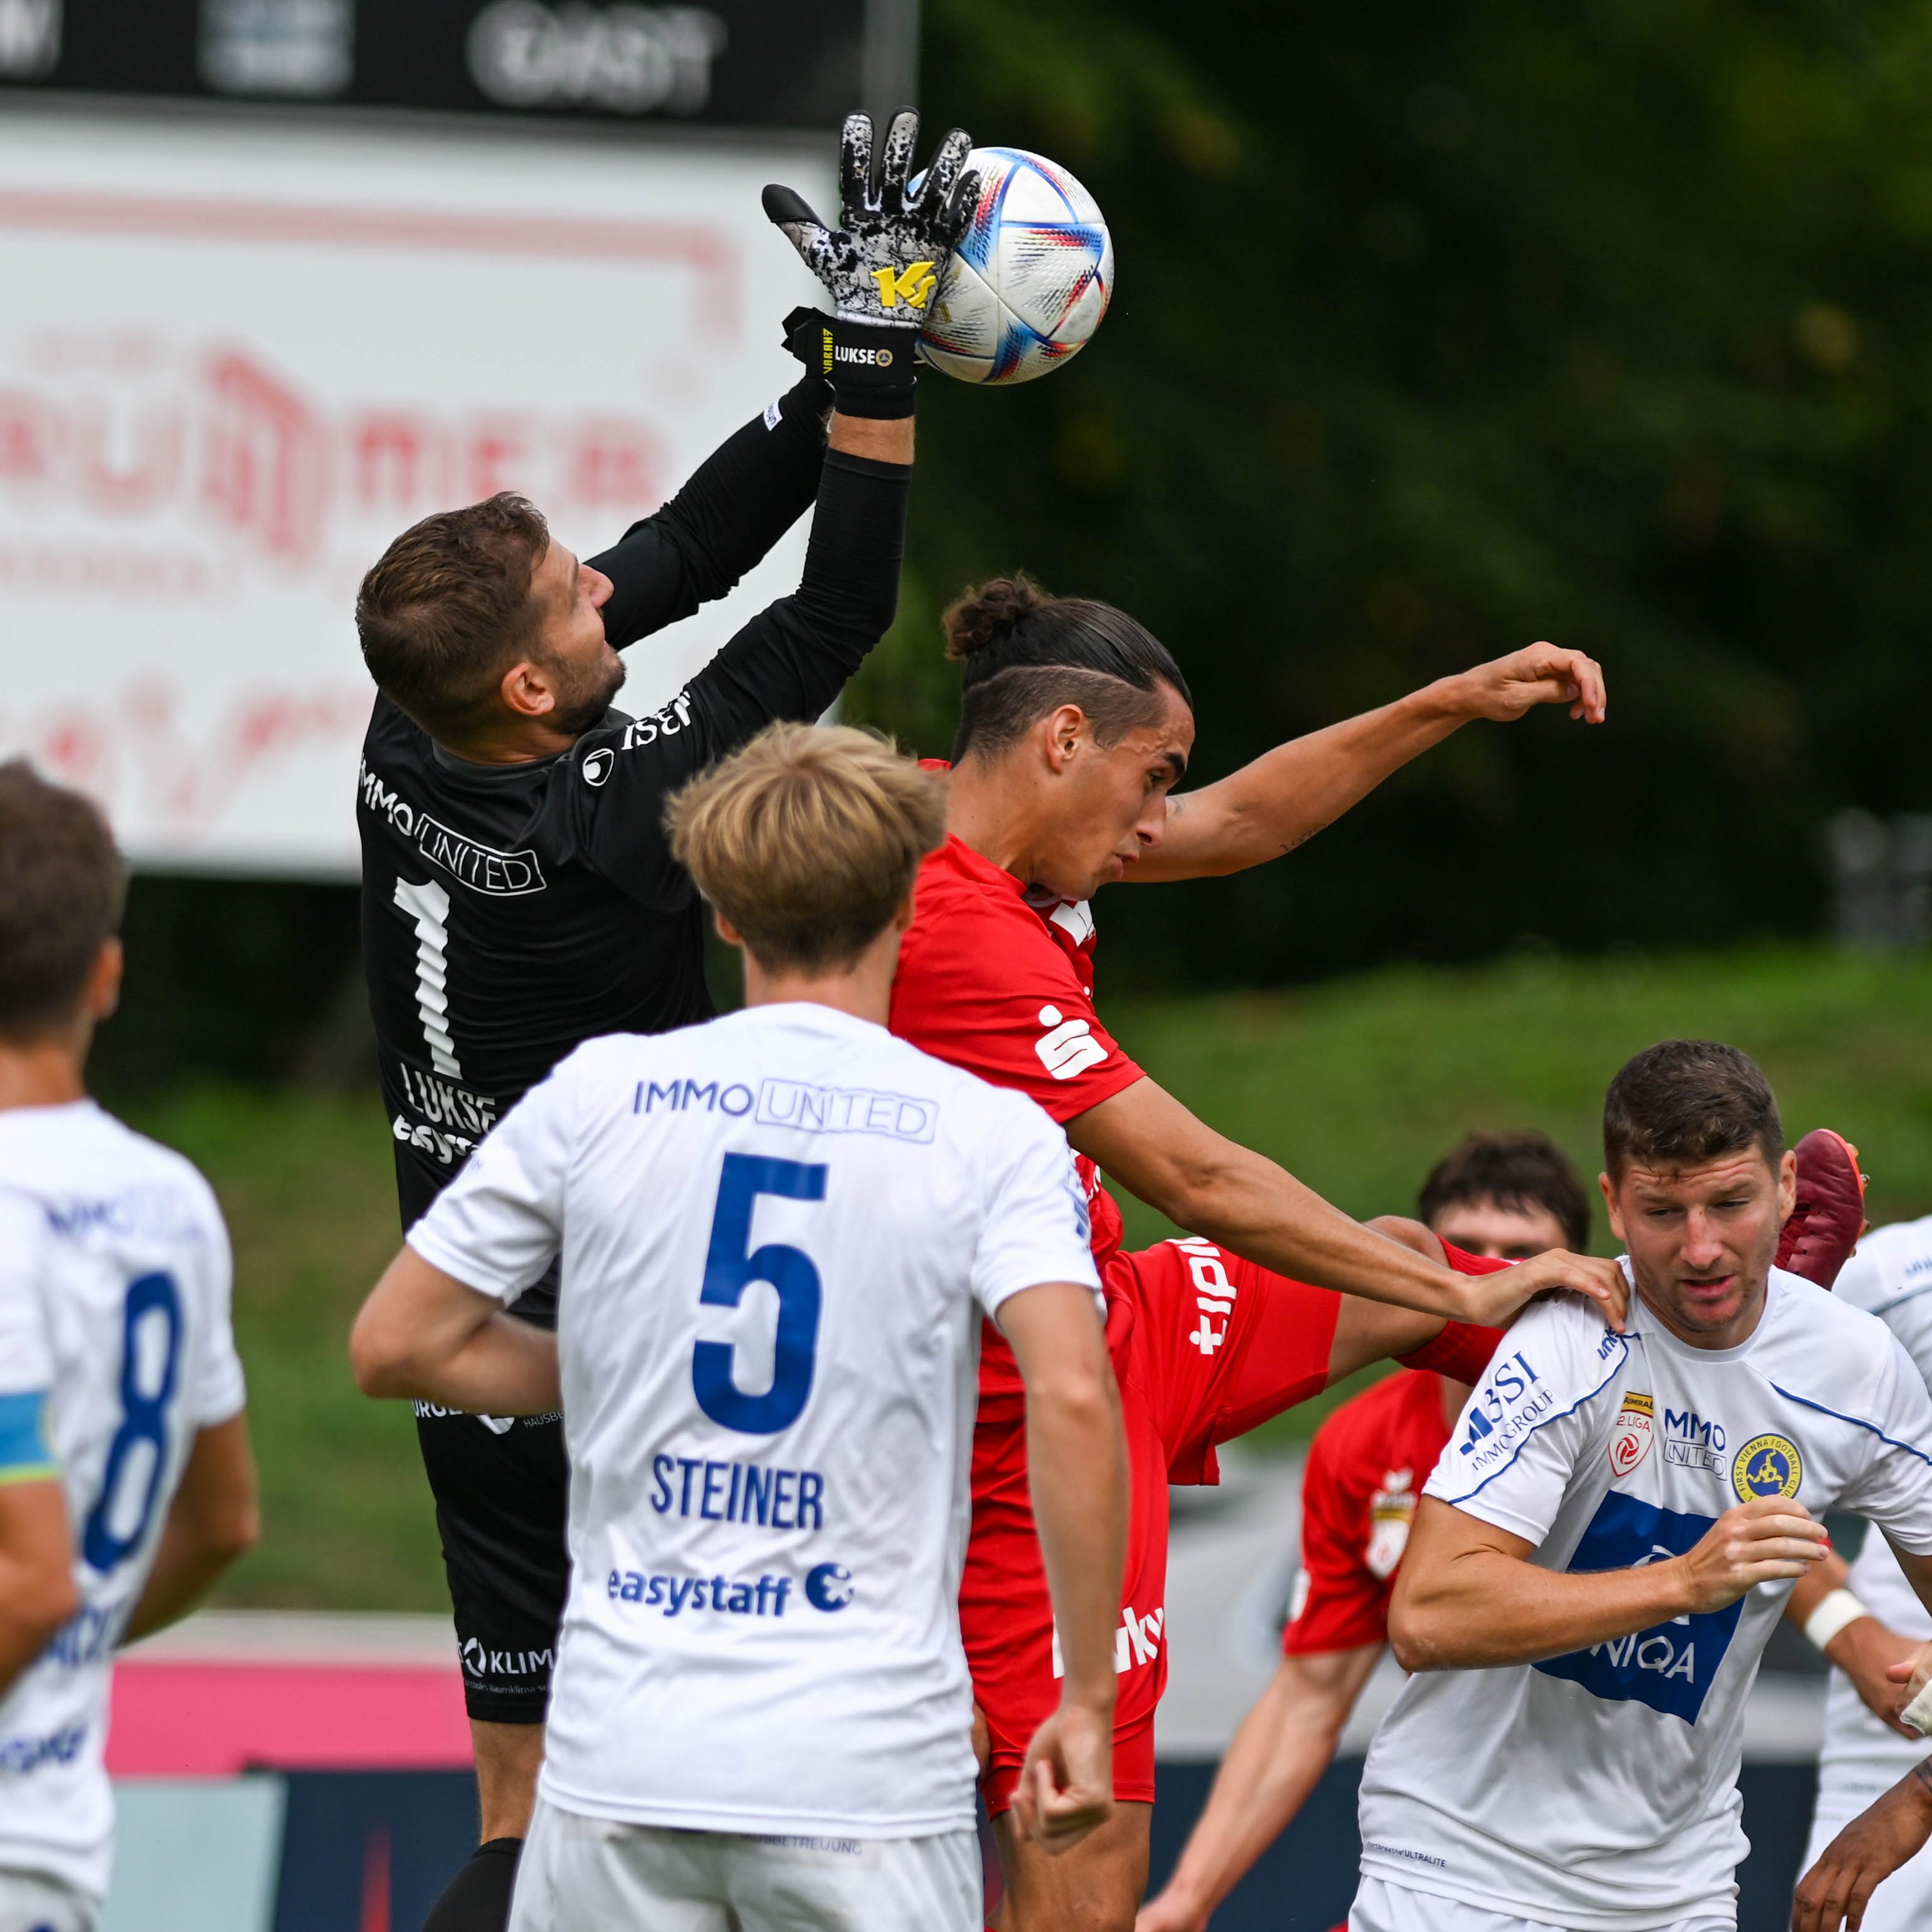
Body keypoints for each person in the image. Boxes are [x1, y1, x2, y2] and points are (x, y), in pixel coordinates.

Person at [350, 110, 975, 1928]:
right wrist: (876, 373)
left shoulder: (422, 718)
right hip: (592, 1322)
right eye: (571, 598)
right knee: (638, 1793)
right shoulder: (610, 833)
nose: (599, 585)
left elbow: (688, 547)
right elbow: (837, 606)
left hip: (457, 1276)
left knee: (518, 1788)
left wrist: (836, 385)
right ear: (536, 681)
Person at [884, 577, 1632, 1928]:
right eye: (1150, 775)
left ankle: (1652, 1434)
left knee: (1391, 1260)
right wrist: (1460, 1286)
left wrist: (1449, 698)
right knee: (1078, 1875)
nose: (1162, 817)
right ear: (1062, 739)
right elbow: (1199, 1175)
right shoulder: (959, 933)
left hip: (1123, 1310)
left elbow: (1237, 823)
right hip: (1024, 1411)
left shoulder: (998, 822)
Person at [348, 724, 1129, 1932]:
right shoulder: (990, 1131)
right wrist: (1082, 1697)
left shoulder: (604, 1092)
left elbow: (396, 1343)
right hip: (860, 1769)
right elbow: (1074, 1394)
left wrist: (610, 1374)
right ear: (909, 893)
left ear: (719, 911)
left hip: (622, 1759)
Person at [1350, 1039, 1932, 1932]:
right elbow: (1427, 1614)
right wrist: (1682, 1584)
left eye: (1731, 1203)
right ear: (1613, 1206)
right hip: (1457, 1866)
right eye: (1663, 1210)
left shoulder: (1859, 1369)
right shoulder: (1569, 1338)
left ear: (1784, 1185)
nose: (1700, 1248)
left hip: (1675, 1888)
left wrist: (1913, 1802)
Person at [1136, 1133, 1593, 1932]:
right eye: (1464, 1253)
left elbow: (1776, 1550)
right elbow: (1308, 1697)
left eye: (1518, 1256)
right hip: (1442, 1857)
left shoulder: (1636, 1424)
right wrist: (1187, 1896)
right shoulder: (1359, 1447)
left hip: (1621, 1853)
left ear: (1577, 1271)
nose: (1485, 1278)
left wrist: (1849, 1630)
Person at [0, 763, 259, 1932]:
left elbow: (32, 1576)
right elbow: (222, 1524)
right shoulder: (173, 1200)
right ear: (104, 977)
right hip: (51, 1845)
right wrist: (75, 1649)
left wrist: (58, 1617)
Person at [1788, 1203, 1932, 1932]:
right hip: (1900, 1709)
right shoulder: (1892, 1278)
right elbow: (1730, 1469)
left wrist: (1920, 1795)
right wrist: (1851, 1633)